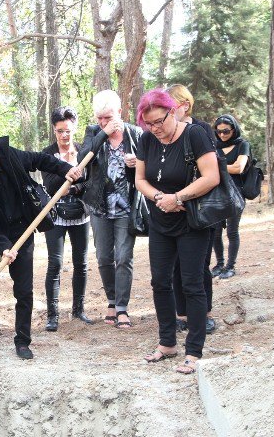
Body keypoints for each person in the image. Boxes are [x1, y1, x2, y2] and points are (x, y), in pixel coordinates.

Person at [0, 130, 82, 362]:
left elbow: (40, 160)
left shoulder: (10, 157)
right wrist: (3, 246)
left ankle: (22, 341)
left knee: (23, 290)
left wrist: (66, 169)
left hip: (22, 230)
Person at [134, 89, 219, 374]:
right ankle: (167, 342)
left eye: (160, 121)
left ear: (173, 111)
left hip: (191, 220)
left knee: (192, 283)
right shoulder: (147, 139)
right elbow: (140, 180)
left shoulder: (195, 134)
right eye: (149, 123)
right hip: (161, 220)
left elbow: (212, 176)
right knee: (160, 281)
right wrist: (160, 198)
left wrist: (178, 197)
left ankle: (194, 351)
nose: (155, 128)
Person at [77, 90, 142, 329]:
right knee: (104, 257)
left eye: (108, 117)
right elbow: (82, 160)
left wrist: (137, 164)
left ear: (120, 112)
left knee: (123, 256)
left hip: (127, 207)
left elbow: (149, 166)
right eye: (99, 118)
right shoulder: (94, 134)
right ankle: (111, 301)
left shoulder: (135, 134)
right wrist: (102, 134)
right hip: (99, 205)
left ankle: (123, 307)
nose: (103, 122)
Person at [166, 84, 218, 334]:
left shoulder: (201, 130)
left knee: (199, 264)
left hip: (200, 207)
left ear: (184, 105)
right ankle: (183, 314)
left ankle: (205, 313)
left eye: (170, 105)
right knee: (176, 265)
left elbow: (210, 170)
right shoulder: (164, 134)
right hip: (173, 209)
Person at [41, 106, 92, 331]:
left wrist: (71, 189)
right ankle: (53, 315)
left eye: (68, 131)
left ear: (74, 129)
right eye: (60, 131)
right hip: (55, 216)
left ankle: (78, 310)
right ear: (54, 130)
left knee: (81, 264)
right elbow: (51, 186)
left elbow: (89, 184)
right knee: (55, 264)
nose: (64, 135)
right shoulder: (47, 153)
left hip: (80, 215)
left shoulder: (83, 152)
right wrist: (71, 179)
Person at [210, 114, 250, 280]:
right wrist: (227, 167)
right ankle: (219, 264)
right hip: (217, 193)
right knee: (216, 232)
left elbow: (239, 168)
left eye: (226, 131)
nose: (222, 135)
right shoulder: (214, 146)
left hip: (236, 193)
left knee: (232, 231)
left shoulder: (243, 145)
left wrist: (217, 166)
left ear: (233, 129)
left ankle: (230, 266)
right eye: (218, 131)